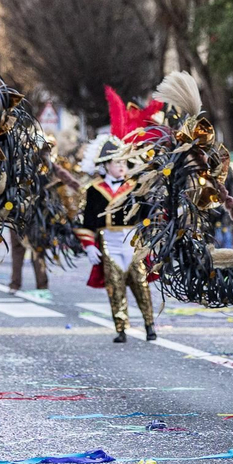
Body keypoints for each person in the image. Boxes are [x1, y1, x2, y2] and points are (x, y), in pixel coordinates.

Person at [77, 142, 154, 343]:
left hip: (132, 240)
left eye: (124, 162)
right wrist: (89, 246)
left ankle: (149, 325)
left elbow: (148, 214)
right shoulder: (94, 190)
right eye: (117, 162)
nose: (121, 166)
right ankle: (121, 328)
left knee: (141, 284)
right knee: (114, 286)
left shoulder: (136, 186)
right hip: (109, 241)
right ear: (106, 165)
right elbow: (87, 222)